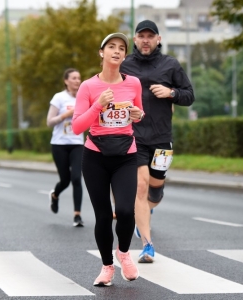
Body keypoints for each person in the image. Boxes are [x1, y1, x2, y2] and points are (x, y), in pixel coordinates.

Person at [72, 33, 144, 286]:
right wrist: (98, 106)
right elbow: (77, 127)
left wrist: (138, 114)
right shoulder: (88, 87)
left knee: (125, 211)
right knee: (103, 216)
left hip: (126, 155)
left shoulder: (134, 83)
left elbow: (138, 113)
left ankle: (123, 252)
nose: (116, 51)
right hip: (95, 157)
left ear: (125, 55)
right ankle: (106, 267)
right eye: (111, 47)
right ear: (101, 53)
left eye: (121, 48)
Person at [120, 20, 195, 263]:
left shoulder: (170, 64)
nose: (145, 40)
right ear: (134, 39)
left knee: (155, 190)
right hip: (135, 136)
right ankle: (147, 245)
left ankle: (149, 207)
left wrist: (170, 92)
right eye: (141, 36)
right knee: (140, 188)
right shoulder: (125, 65)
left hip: (162, 138)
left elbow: (189, 95)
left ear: (158, 39)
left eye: (150, 36)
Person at [46, 68, 84, 227]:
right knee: (65, 180)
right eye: (74, 78)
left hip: (77, 143)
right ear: (66, 81)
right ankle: (55, 195)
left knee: (76, 178)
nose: (77, 81)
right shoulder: (59, 98)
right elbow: (49, 122)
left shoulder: (84, 97)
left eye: (79, 78)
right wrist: (65, 115)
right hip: (59, 144)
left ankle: (77, 215)